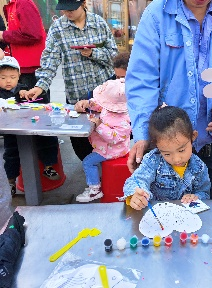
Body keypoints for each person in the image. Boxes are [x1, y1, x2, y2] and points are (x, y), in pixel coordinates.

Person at [125, 0, 212, 199]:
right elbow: (143, 77)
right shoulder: (156, 13)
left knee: (206, 208)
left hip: (210, 141)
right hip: (166, 143)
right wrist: (143, 133)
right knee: (160, 211)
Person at [25, 0, 118, 104]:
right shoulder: (57, 28)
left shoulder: (99, 23)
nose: (67, 13)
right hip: (77, 92)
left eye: (71, 9)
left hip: (104, 90)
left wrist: (93, 53)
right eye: (64, 9)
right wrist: (41, 85)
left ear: (83, 4)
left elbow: (114, 56)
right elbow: (50, 60)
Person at [119, 106, 210, 210]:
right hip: (157, 218)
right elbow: (136, 180)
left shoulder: (199, 167)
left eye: (181, 150)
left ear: (193, 136)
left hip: (185, 219)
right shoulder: (153, 161)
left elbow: (204, 193)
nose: (176, 159)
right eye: (167, 154)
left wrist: (197, 197)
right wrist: (136, 195)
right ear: (157, 145)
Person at [0, 56, 60, 196]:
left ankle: (48, 166)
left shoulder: (22, 89)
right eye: (3, 78)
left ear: (19, 76)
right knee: (11, 154)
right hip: (10, 131)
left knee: (47, 138)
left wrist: (25, 94)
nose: (8, 81)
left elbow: (31, 100)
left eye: (12, 77)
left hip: (29, 125)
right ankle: (11, 181)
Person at [75, 78, 131, 202]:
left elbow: (114, 138)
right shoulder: (112, 107)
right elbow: (100, 105)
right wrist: (88, 103)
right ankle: (95, 182)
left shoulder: (124, 121)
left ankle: (95, 190)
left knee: (88, 162)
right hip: (105, 146)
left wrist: (99, 126)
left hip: (113, 150)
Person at [72, 52, 131, 161]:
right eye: (117, 76)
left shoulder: (143, 88)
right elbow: (100, 99)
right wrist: (85, 102)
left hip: (125, 133)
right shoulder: (114, 83)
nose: (119, 81)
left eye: (123, 77)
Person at [1, 0, 49, 98]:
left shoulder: (23, 3)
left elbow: (33, 34)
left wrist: (3, 35)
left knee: (32, 106)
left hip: (31, 68)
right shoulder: (14, 4)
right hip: (21, 67)